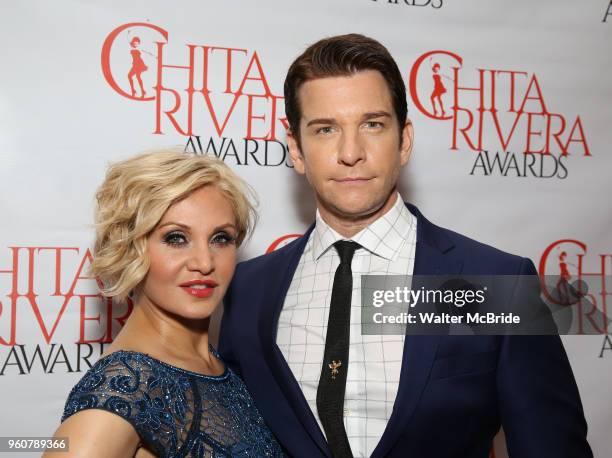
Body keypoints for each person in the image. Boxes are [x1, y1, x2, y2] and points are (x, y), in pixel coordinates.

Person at [218, 34, 592, 457]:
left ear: (405, 140)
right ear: (297, 151)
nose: (351, 152)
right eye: (325, 129)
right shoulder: (248, 288)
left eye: (372, 125)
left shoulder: (494, 282)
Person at [46, 151, 284, 457]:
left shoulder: (220, 362)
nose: (204, 262)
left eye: (221, 238)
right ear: (130, 249)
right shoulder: (126, 388)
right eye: (176, 238)